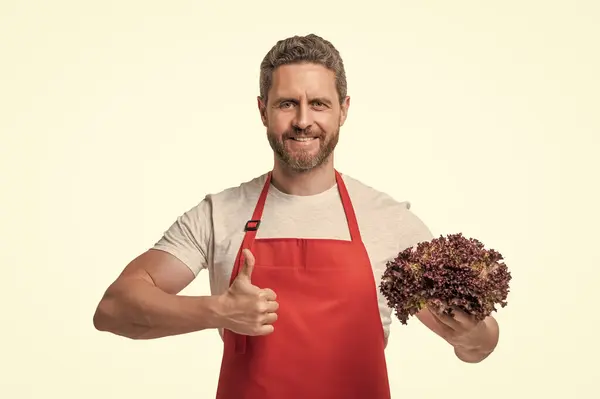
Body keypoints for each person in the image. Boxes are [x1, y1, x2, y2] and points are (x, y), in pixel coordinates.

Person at [93, 33, 500, 399]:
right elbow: (113, 309)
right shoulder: (218, 214)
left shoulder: (388, 220)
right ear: (262, 110)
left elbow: (477, 347)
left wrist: (473, 333)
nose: (304, 120)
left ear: (343, 110)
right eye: (288, 103)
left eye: (319, 104)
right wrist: (217, 310)